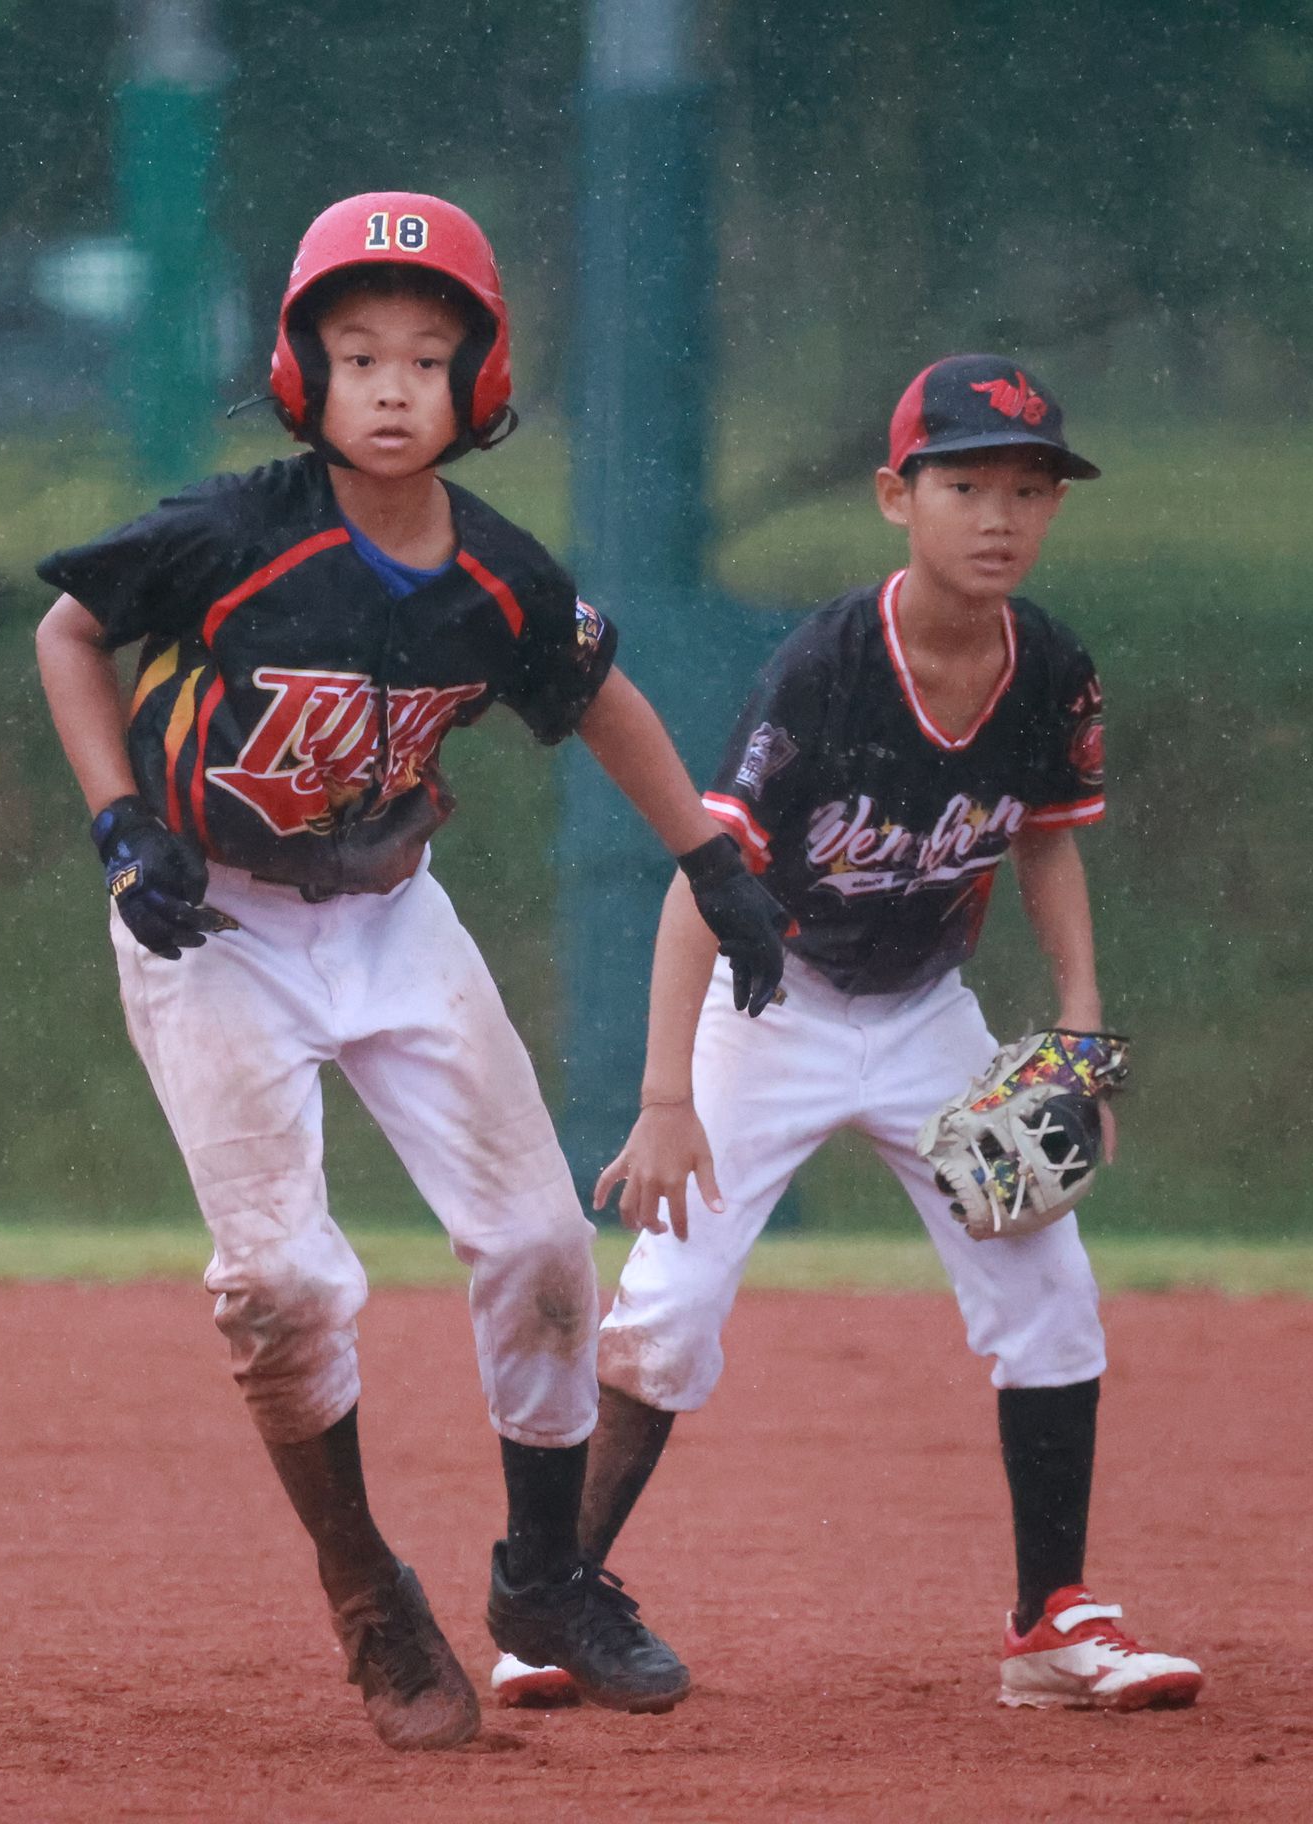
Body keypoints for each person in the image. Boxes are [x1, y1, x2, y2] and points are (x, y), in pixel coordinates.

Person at [31, 191, 790, 1750]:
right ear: (302, 372)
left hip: (388, 918)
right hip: (213, 925)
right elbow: (67, 632)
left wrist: (709, 858)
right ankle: (367, 1585)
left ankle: (545, 1575)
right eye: (357, 351)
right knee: (285, 1285)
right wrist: (120, 827)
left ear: (478, 387)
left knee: (539, 1249)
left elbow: (600, 698)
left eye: (427, 358)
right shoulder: (234, 531)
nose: (390, 385)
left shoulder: (496, 576)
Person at [489, 355, 1204, 1715]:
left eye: (1029, 488)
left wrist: (1080, 1037)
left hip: (932, 1019)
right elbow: (704, 885)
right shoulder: (825, 669)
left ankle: (1052, 1624)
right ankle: (545, 1609)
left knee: (1048, 1293)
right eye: (966, 483)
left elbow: (1049, 843)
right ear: (898, 496)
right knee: (665, 1317)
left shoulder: (1048, 666)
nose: (999, 514)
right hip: (771, 1013)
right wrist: (663, 1097)